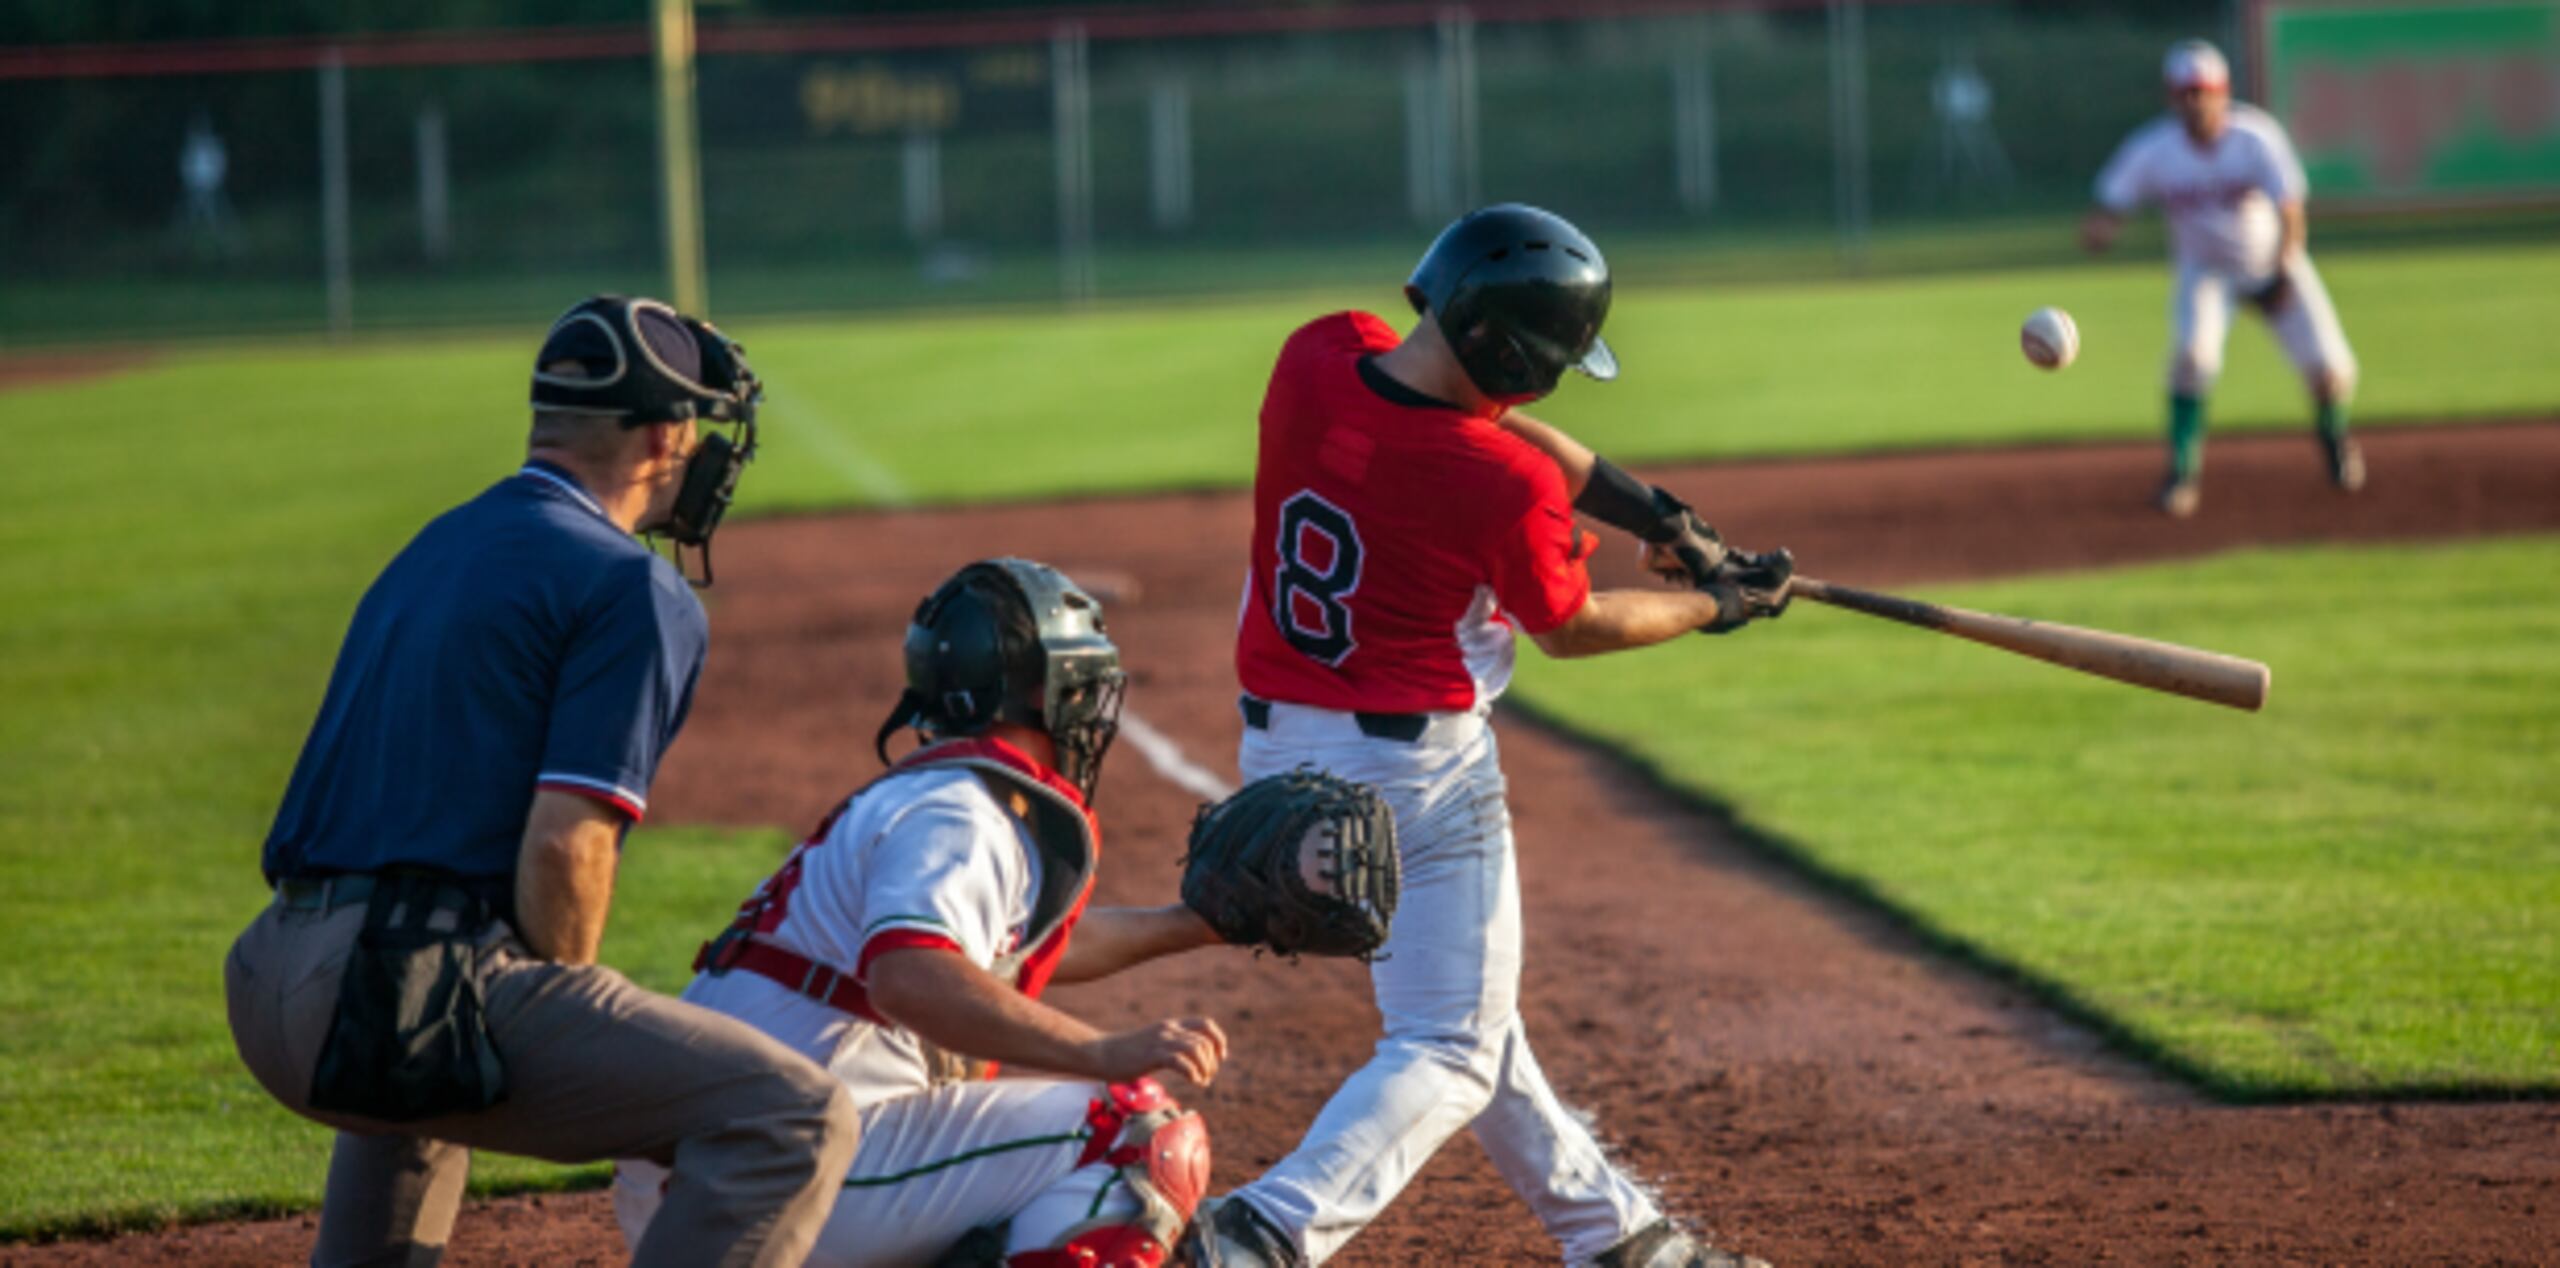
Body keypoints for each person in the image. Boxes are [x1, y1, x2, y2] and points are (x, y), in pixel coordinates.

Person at [1185, 203, 1784, 1268]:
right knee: (1451, 1043)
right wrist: (1716, 606)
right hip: (1415, 779)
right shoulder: (1495, 483)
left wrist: (1665, 520)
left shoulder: (1318, 353)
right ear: (1518, 360)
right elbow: (1573, 624)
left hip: (1277, 757)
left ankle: (1619, 1238)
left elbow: (1488, 423)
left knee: (1462, 1009)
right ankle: (1258, 1232)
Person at [225, 294, 861, 1266]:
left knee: (427, 1063)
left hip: (272, 974)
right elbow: (567, 843)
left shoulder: (432, 546)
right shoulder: (630, 584)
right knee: (792, 1112)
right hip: (380, 996)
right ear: (663, 434)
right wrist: (573, 1018)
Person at [614, 557, 1232, 1268]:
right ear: (1042, 689)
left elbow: (997, 960)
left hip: (719, 1168)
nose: (1094, 706)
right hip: (783, 1168)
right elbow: (911, 977)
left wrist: (1190, 926)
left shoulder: (933, 799)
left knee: (1003, 1189)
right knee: (1134, 1131)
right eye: (1085, 684)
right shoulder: (961, 814)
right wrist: (1101, 1052)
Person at [2082, 38, 2364, 518]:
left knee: (2330, 372)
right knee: (2192, 359)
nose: (2193, 100)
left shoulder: (2255, 137)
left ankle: (2334, 439)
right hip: (2205, 272)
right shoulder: (2154, 149)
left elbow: (2291, 211)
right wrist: (2102, 229)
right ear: (2171, 96)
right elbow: (2111, 204)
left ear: (2222, 91)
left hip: (2273, 262)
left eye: (2202, 90)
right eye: (2184, 91)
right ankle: (2182, 473)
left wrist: (2282, 268)